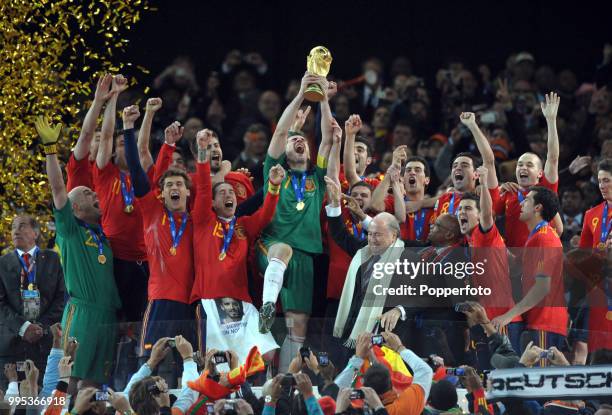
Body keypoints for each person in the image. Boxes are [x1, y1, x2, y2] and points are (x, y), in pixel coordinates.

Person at [255, 72, 334, 372]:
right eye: (293, 140)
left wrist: (323, 98)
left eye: (303, 139)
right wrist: (302, 93)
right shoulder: (275, 171)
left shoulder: (317, 178)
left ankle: (284, 381)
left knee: (297, 325)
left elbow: (328, 138)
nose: (298, 141)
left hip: (305, 255)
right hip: (272, 246)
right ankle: (266, 306)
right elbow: (279, 134)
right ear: (284, 152)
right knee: (282, 250)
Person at [35, 115, 120, 384]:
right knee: (72, 379)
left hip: (108, 315)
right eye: (87, 194)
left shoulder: (103, 237)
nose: (95, 196)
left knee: (95, 385)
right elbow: (58, 188)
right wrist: (50, 151)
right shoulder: (70, 232)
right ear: (74, 208)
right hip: (82, 313)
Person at [191, 129, 285, 362]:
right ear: (212, 203)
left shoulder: (243, 225)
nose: (228, 195)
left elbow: (265, 214)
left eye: (231, 192)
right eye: (222, 192)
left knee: (268, 354)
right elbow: (203, 187)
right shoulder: (203, 221)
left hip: (242, 302)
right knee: (219, 362)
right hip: (210, 301)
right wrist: (202, 151)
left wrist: (273, 186)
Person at [119, 105, 196, 368]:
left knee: (189, 366)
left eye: (179, 184)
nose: (174, 188)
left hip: (192, 302)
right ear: (160, 193)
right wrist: (128, 128)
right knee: (154, 366)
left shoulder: (197, 220)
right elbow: (136, 168)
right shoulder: (152, 211)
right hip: (160, 299)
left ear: (187, 192)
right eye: (169, 185)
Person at [93, 74, 150, 324]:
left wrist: (146, 116)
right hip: (114, 257)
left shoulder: (143, 176)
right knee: (115, 318)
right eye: (121, 144)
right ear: (115, 151)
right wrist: (114, 95)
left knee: (141, 320)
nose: (125, 147)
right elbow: (105, 136)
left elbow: (144, 149)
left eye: (128, 144)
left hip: (144, 258)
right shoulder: (105, 174)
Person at [456, 167, 522, 368]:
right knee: (487, 376)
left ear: (479, 216)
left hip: (503, 320)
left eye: (468, 209)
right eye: (460, 209)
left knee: (507, 377)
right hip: (486, 320)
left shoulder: (485, 234)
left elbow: (487, 214)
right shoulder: (468, 243)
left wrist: (484, 184)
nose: (462, 213)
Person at [492, 186, 567, 356]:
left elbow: (542, 287)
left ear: (537, 208)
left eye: (526, 200)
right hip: (540, 320)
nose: (522, 203)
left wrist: (508, 316)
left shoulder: (544, 237)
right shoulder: (537, 235)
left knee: (540, 381)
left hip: (545, 321)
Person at [0, 215, 65, 388]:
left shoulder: (53, 260)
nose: (15, 231)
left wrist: (41, 328)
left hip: (45, 346)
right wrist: (24, 328)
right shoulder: (2, 263)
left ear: (35, 233)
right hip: (11, 348)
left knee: (44, 401)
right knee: (12, 405)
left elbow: (61, 298)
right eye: (13, 227)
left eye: (22, 226)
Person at [491, 92, 563, 247]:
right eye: (520, 164)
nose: (523, 167)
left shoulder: (545, 189)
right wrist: (496, 189)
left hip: (539, 254)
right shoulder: (508, 192)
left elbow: (552, 157)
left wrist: (551, 120)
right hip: (514, 262)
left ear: (540, 173)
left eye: (529, 165)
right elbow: (488, 217)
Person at [335, 331, 433, 415]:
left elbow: (334, 392)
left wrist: (358, 358)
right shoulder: (406, 408)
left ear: (364, 386)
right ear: (391, 383)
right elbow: (425, 371)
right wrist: (400, 348)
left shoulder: (352, 407)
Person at [578, 159, 612, 353]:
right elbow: (583, 256)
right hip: (598, 290)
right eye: (599, 181)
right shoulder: (592, 214)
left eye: (606, 180)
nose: (601, 186)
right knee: (598, 351)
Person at [66, 73, 116, 192]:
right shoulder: (79, 166)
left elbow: (108, 136)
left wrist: (114, 95)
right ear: (89, 146)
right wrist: (98, 101)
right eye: (98, 139)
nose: (103, 142)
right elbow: (86, 135)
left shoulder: (111, 171)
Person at [371, 154, 433, 241]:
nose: (412, 172)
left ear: (427, 180)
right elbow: (375, 205)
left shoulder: (434, 208)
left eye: (417, 170)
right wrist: (390, 173)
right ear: (403, 179)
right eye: (408, 170)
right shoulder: (394, 202)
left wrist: (421, 204)